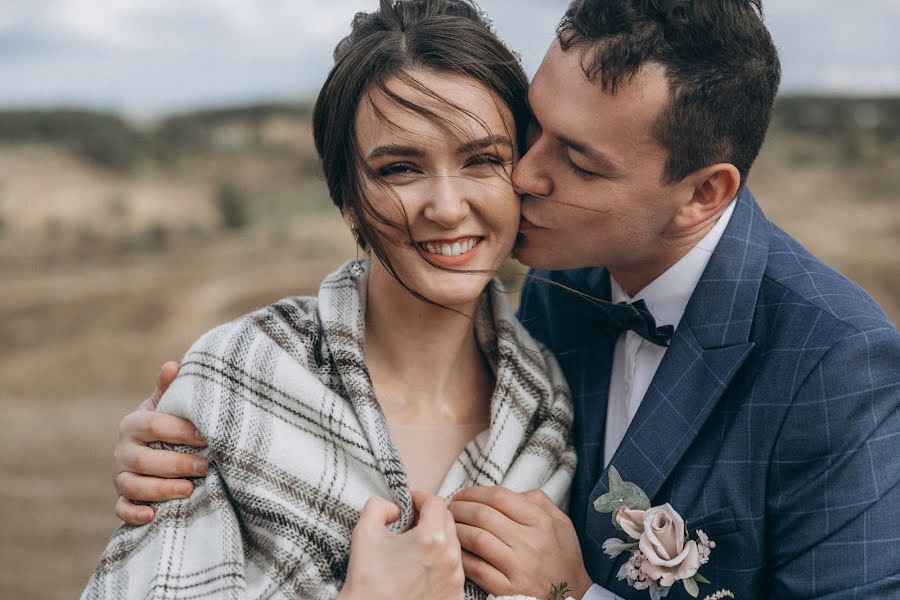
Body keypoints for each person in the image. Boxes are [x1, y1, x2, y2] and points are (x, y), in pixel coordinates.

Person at [110, 1, 900, 598]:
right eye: (530, 131)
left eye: (578, 162)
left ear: (701, 194)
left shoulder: (837, 366)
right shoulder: (559, 290)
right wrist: (209, 410)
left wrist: (581, 593)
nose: (522, 177)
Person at [83, 2, 577, 599]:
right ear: (346, 197)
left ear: (521, 172)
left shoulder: (549, 404)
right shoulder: (233, 380)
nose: (447, 207)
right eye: (400, 168)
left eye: (482, 160)